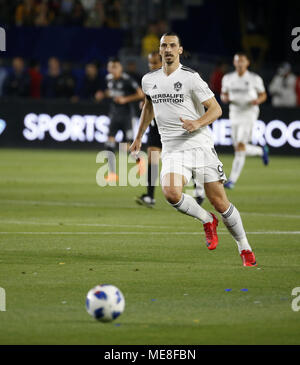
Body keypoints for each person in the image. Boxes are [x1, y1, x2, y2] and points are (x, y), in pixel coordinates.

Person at [130, 32, 257, 267]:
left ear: (180, 50)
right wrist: (138, 137)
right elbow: (148, 106)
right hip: (172, 148)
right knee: (170, 192)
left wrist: (197, 123)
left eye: (172, 46)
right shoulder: (149, 80)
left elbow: (216, 109)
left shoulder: (191, 78)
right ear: (159, 51)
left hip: (199, 145)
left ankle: (244, 246)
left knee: (219, 201)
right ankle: (207, 220)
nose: (168, 49)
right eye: (164, 46)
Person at [135, 50, 205, 208]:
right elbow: (148, 104)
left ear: (163, 62)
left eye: (155, 63)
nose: (151, 66)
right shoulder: (149, 80)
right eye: (150, 63)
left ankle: (199, 189)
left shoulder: (180, 78)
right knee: (153, 158)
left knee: (185, 160)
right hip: (156, 127)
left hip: (175, 128)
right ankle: (150, 196)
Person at [221, 52, 268, 190]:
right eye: (237, 61)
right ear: (234, 63)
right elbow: (224, 93)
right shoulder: (228, 78)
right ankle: (260, 151)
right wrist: (224, 97)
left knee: (240, 146)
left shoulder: (254, 78)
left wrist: (258, 100)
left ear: (247, 63)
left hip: (249, 112)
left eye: (242, 61)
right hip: (234, 112)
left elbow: (263, 94)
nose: (240, 63)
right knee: (238, 148)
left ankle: (232, 181)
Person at [95, 57, 144, 182]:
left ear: (120, 68)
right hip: (114, 115)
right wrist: (103, 94)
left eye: (115, 67)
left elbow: (140, 94)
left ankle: (140, 162)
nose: (113, 69)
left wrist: (125, 99)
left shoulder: (127, 80)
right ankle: (112, 174)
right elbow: (111, 92)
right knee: (109, 143)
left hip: (127, 116)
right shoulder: (109, 79)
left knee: (127, 148)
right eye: (111, 67)